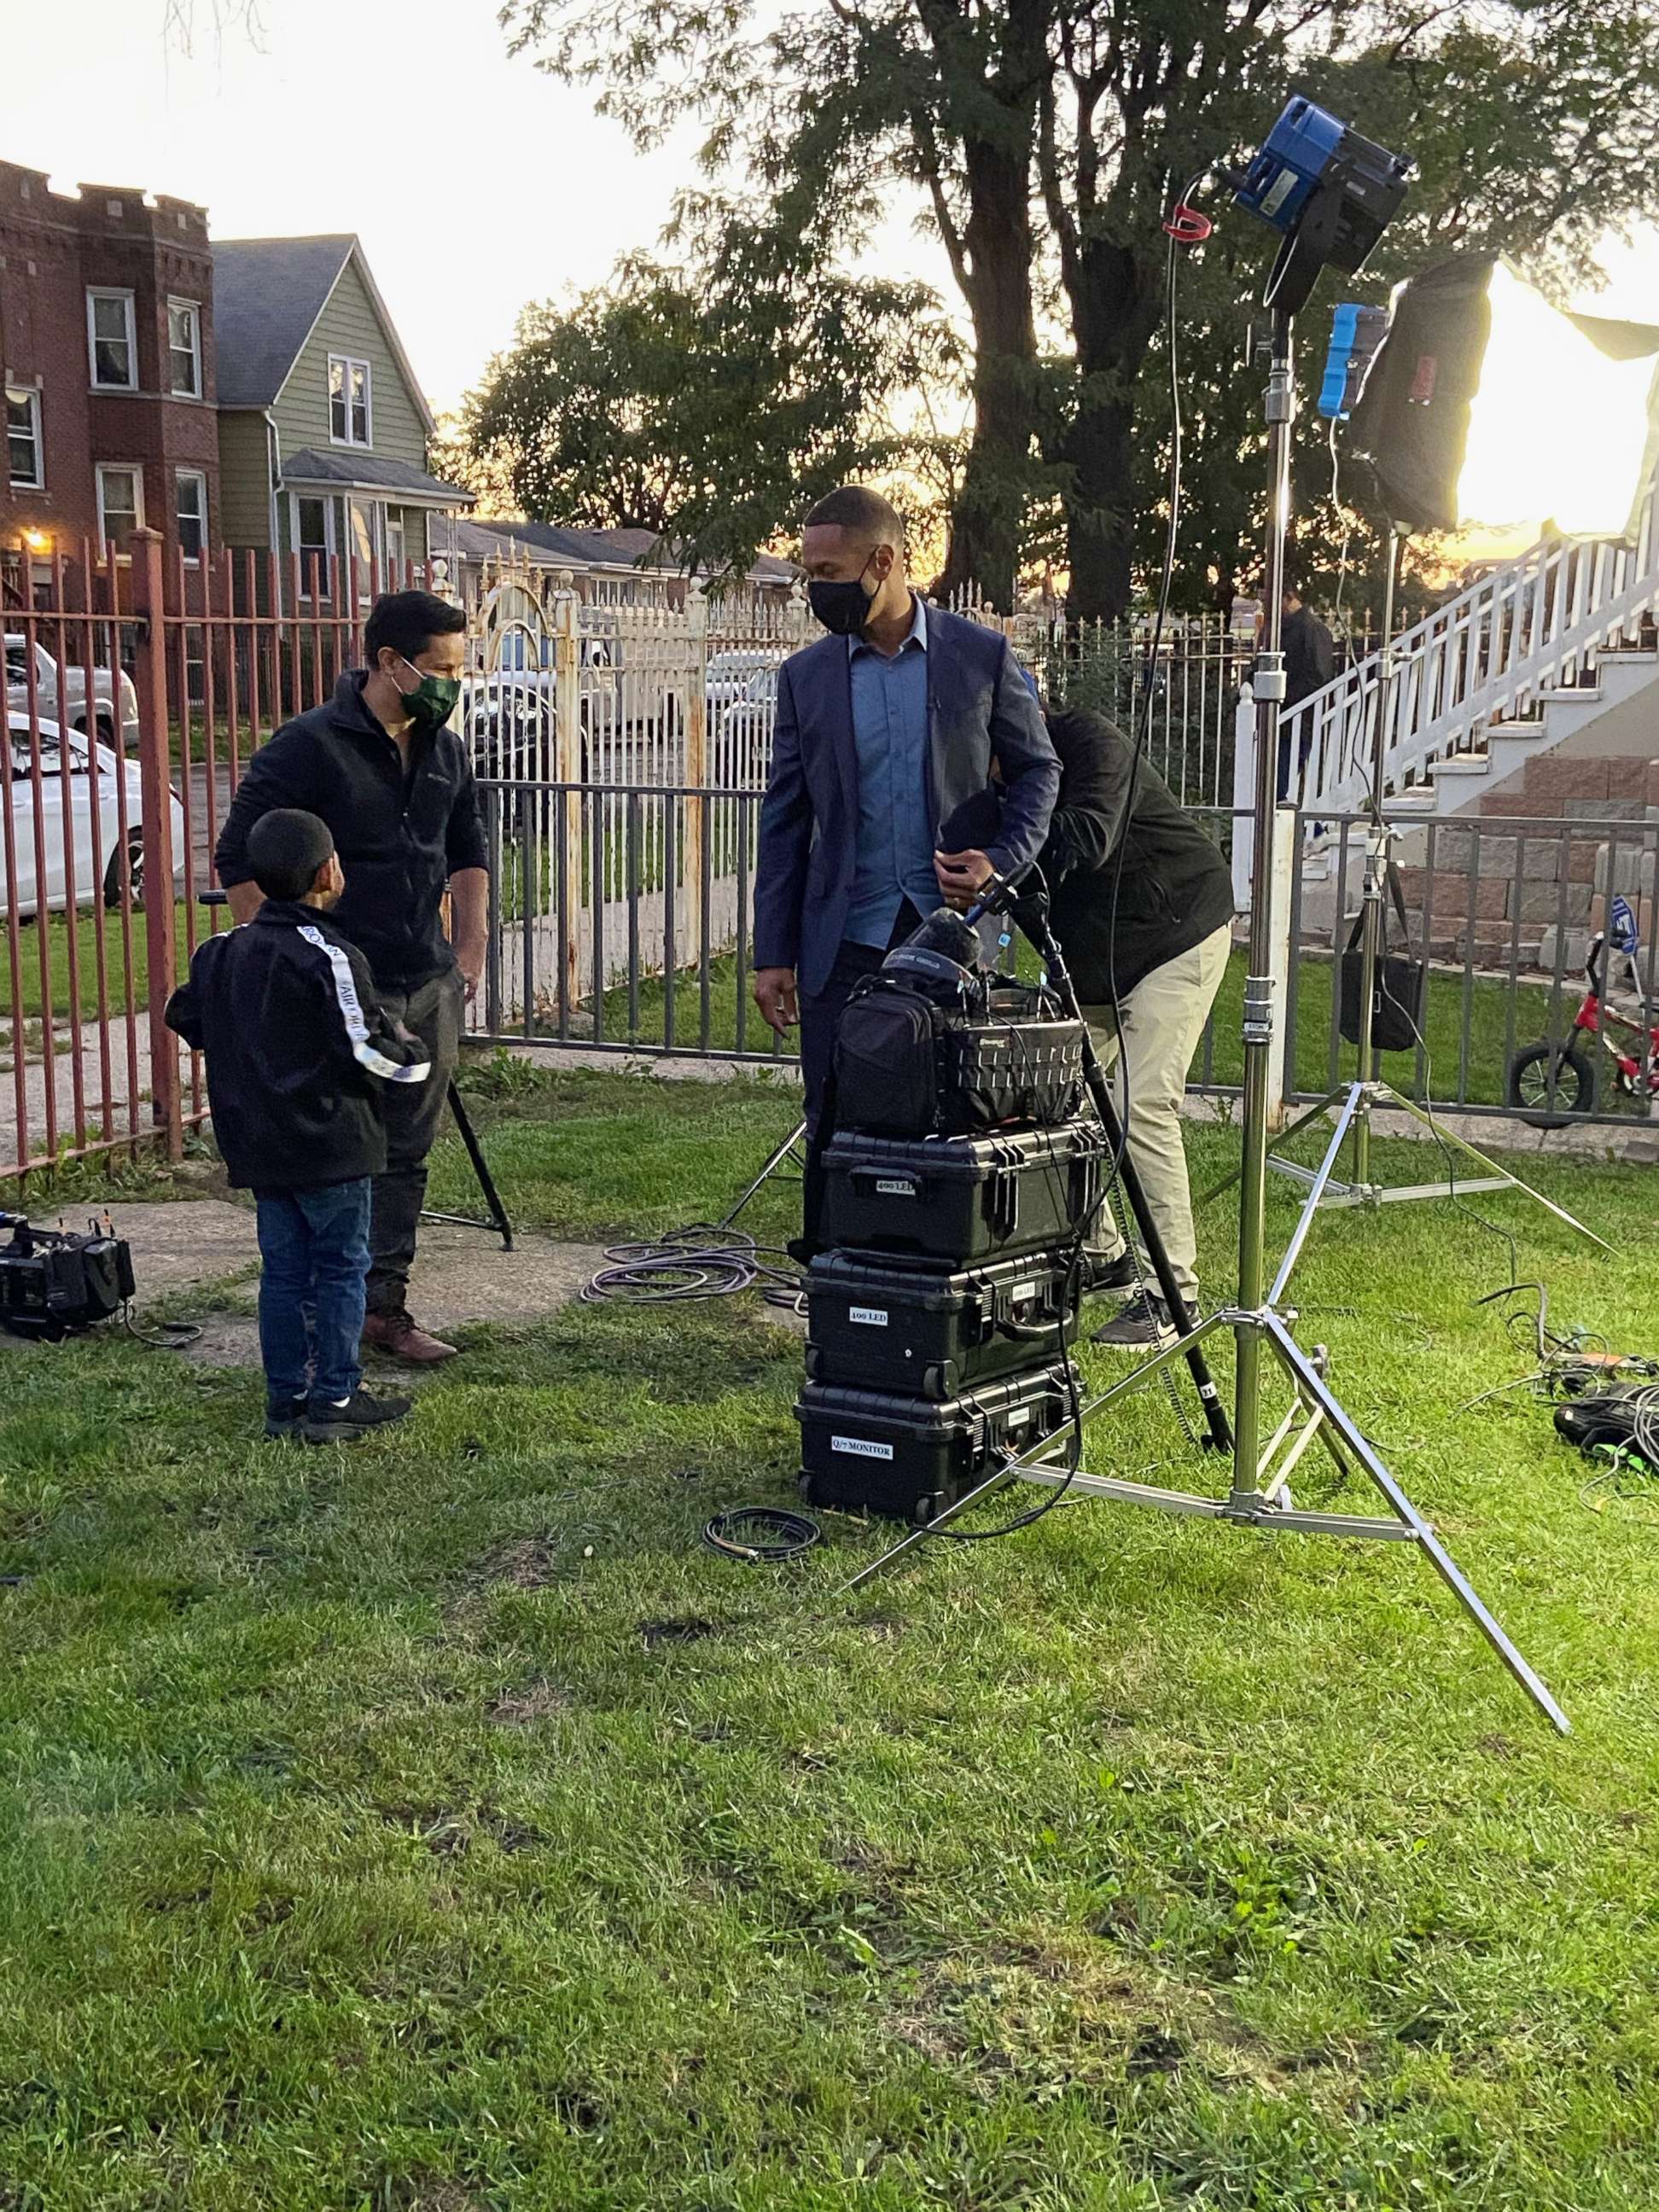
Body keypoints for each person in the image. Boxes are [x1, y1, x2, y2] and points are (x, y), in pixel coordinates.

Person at [751, 485, 1059, 1247]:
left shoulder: (977, 657)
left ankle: (938, 1287)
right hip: (842, 938)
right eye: (807, 571)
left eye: (827, 569)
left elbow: (1039, 771)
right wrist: (773, 953)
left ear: (882, 561)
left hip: (952, 938)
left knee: (953, 1120)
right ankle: (835, 1285)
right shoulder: (807, 677)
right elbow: (785, 820)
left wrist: (1000, 862)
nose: (813, 587)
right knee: (831, 1116)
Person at [214, 589, 486, 1365]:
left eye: (459, 669)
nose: (450, 683)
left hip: (425, 978)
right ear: (389, 663)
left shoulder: (446, 748)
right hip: (334, 986)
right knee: (330, 1155)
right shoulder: (307, 746)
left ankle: (381, 1310)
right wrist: (274, 955)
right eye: (438, 668)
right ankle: (314, 1311)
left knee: (406, 1152)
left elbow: (468, 851)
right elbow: (240, 855)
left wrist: (469, 951)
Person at [166, 810, 432, 1444]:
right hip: (331, 1143)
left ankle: (285, 1398)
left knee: (284, 1270)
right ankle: (335, 1394)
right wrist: (412, 1056)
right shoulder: (330, 955)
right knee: (341, 1266)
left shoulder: (221, 952)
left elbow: (187, 1016)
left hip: (259, 1142)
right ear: (326, 873)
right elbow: (365, 1052)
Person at [1037, 703, 1235, 1347]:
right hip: (1092, 958)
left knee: (1141, 1104)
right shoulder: (983, 777)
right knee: (1045, 1101)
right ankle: (1103, 1255)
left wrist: (996, 849)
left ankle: (1170, 1297)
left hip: (1176, 932)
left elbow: (1087, 834)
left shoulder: (1093, 741)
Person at [1278, 579, 1336, 801]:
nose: (1265, 606)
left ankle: (1311, 826)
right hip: (1285, 714)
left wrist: (1287, 699)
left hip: (1299, 715)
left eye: (1270, 600)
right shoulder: (1282, 628)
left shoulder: (1312, 629)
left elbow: (1318, 676)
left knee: (1286, 776)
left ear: (1290, 597)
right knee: (1280, 776)